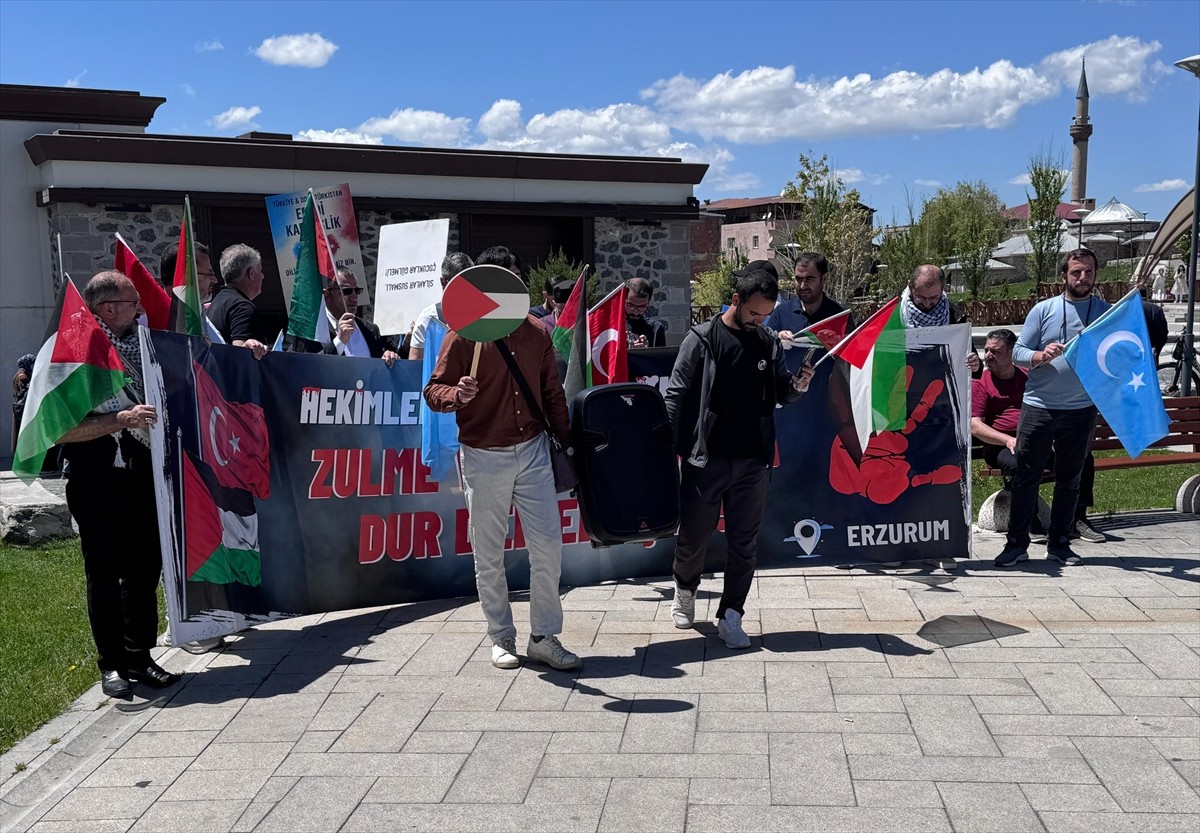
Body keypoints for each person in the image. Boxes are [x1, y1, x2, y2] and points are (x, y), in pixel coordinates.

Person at [422, 246, 581, 672]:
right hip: (482, 454)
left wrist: (566, 444)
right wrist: (457, 394)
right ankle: (501, 636)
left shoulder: (536, 333)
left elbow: (552, 394)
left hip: (532, 451)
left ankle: (544, 637)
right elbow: (433, 392)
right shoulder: (463, 333)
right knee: (488, 551)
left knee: (548, 546)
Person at [665, 267, 814, 649]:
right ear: (735, 300)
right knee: (694, 537)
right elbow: (676, 395)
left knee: (744, 542)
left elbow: (782, 393)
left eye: (766, 315)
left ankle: (732, 615)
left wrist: (797, 386)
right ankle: (685, 589)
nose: (759, 321)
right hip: (706, 458)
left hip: (753, 459)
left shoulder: (767, 342)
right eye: (754, 314)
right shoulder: (701, 339)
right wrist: (666, 448)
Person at [58, 271, 180, 699]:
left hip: (143, 477)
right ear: (108, 309)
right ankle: (112, 665)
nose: (140, 308)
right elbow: (59, 430)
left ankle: (140, 655)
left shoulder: (144, 347)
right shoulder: (74, 354)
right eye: (132, 303)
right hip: (97, 482)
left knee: (145, 570)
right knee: (105, 574)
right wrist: (119, 420)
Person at [996, 249, 1110, 568]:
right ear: (1064, 276)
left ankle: (1060, 544)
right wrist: (1040, 355)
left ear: (1095, 275)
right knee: (1026, 477)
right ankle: (1016, 544)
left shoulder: (1105, 313)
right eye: (1076, 272)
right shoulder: (1043, 310)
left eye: (1088, 272)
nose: (1082, 278)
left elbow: (1119, 353)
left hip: (1081, 409)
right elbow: (1016, 352)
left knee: (1070, 480)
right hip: (1039, 407)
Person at [971, 329, 1101, 544]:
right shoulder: (981, 383)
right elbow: (975, 426)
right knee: (1023, 463)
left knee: (1082, 458)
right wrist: (1007, 440)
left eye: (995, 351)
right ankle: (1029, 521)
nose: (988, 356)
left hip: (1038, 438)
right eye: (986, 350)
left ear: (1013, 353)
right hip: (1002, 446)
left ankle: (1077, 518)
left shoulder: (1028, 376)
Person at [902, 265, 982, 377]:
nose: (927, 303)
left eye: (933, 298)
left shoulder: (956, 317)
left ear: (943, 288)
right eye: (921, 297)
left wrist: (975, 365)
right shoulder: (895, 316)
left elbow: (973, 366)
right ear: (911, 287)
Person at [322, 268, 401, 365]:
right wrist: (340, 341)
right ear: (327, 295)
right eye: (346, 291)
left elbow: (386, 364)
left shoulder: (371, 330)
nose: (354, 297)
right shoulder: (315, 331)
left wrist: (389, 356)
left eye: (357, 291)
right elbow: (310, 367)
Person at [410, 252, 473, 364]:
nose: (466, 291)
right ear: (443, 282)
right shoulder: (429, 317)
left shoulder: (482, 315)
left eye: (470, 284)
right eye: (459, 285)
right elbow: (415, 364)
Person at [207, 244, 268, 359]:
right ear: (251, 274)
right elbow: (241, 357)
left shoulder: (217, 302)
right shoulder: (242, 308)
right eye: (260, 270)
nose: (263, 276)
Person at [767, 253, 850, 336]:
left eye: (809, 279)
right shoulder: (782, 312)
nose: (803, 286)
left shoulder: (840, 315)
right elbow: (765, 346)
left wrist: (836, 343)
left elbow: (854, 347)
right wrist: (777, 340)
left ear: (824, 279)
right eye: (798, 279)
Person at [624, 277, 667, 348]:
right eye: (630, 305)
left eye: (642, 306)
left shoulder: (656, 329)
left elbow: (660, 358)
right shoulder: (611, 327)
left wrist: (646, 352)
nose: (635, 311)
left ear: (648, 302)